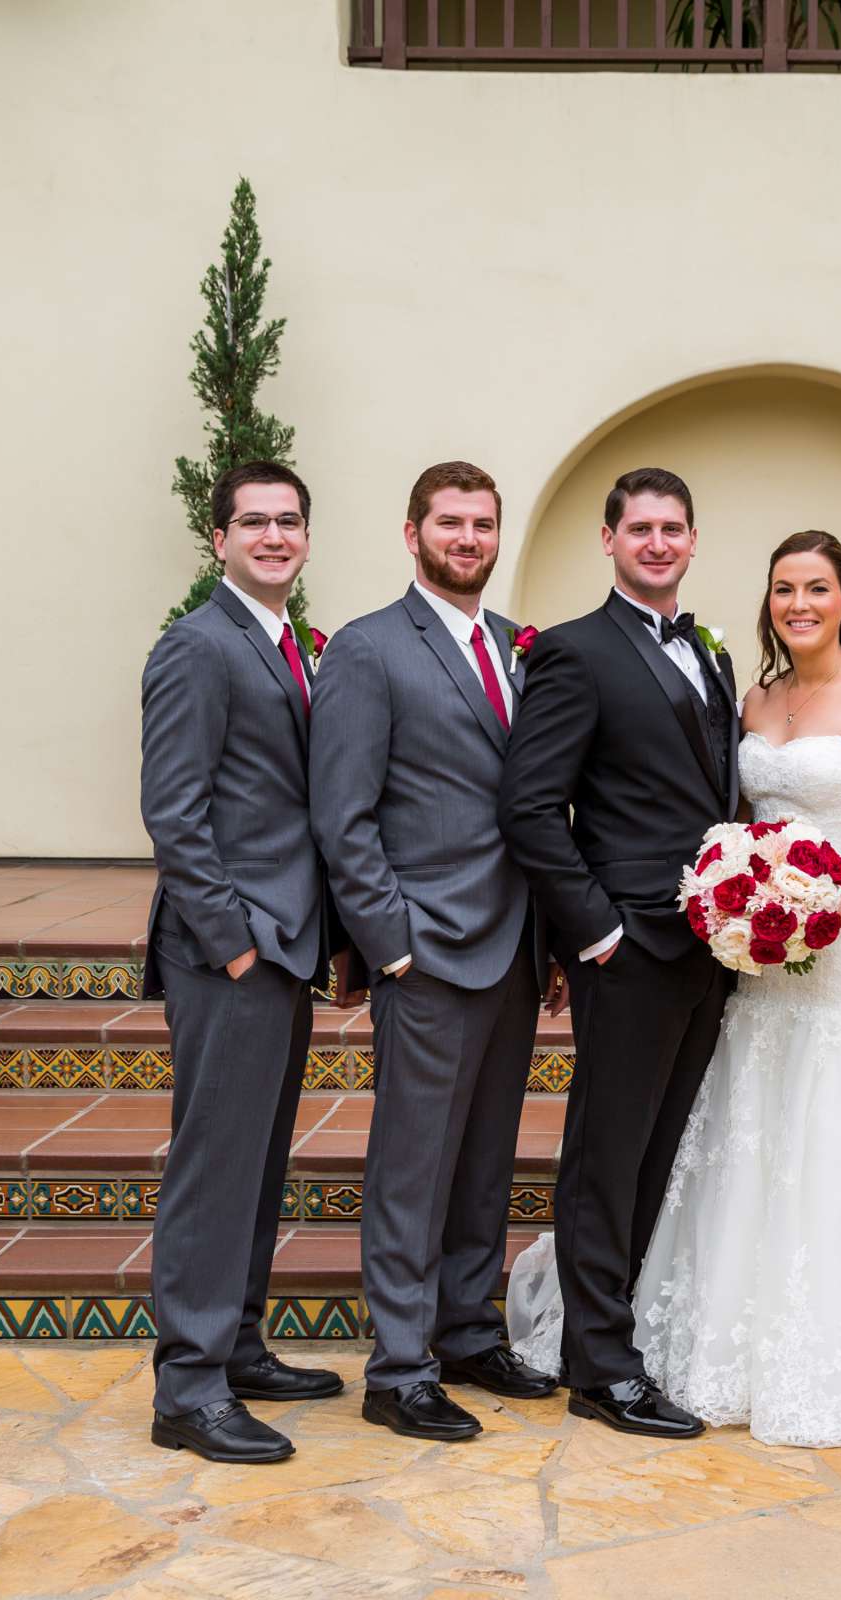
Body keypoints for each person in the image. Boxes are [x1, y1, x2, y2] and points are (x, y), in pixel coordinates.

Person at [508, 532, 841, 1447]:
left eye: (817, 589)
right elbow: (718, 815)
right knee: (748, 1121)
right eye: (782, 589)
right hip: (753, 951)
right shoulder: (748, 691)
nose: (798, 604)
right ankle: (692, 1331)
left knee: (834, 1126)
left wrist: (825, 913)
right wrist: (748, 903)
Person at [312, 460, 557, 1443]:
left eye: (483, 524)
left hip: (509, 949)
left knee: (486, 1159)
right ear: (412, 533)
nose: (468, 538)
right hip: (427, 951)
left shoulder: (515, 648)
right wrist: (390, 947)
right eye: (449, 523)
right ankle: (399, 1366)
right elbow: (343, 813)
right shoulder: (369, 650)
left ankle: (464, 1329)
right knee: (412, 1167)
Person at [499, 467, 741, 1439]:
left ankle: (614, 1333)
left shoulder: (710, 654)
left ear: (691, 539)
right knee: (604, 1157)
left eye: (672, 527)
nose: (656, 542)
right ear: (608, 540)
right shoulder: (572, 652)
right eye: (638, 528)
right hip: (627, 949)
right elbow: (530, 806)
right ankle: (601, 1366)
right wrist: (592, 928)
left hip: (710, 949)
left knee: (654, 1155)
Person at [139, 460, 344, 1464]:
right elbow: (173, 812)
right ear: (217, 539)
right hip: (231, 951)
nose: (273, 535)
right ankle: (188, 1386)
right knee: (216, 1165)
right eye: (253, 522)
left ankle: (240, 1343)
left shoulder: (286, 644)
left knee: (259, 1161)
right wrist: (228, 945)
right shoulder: (198, 646)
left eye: (289, 521)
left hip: (283, 945)